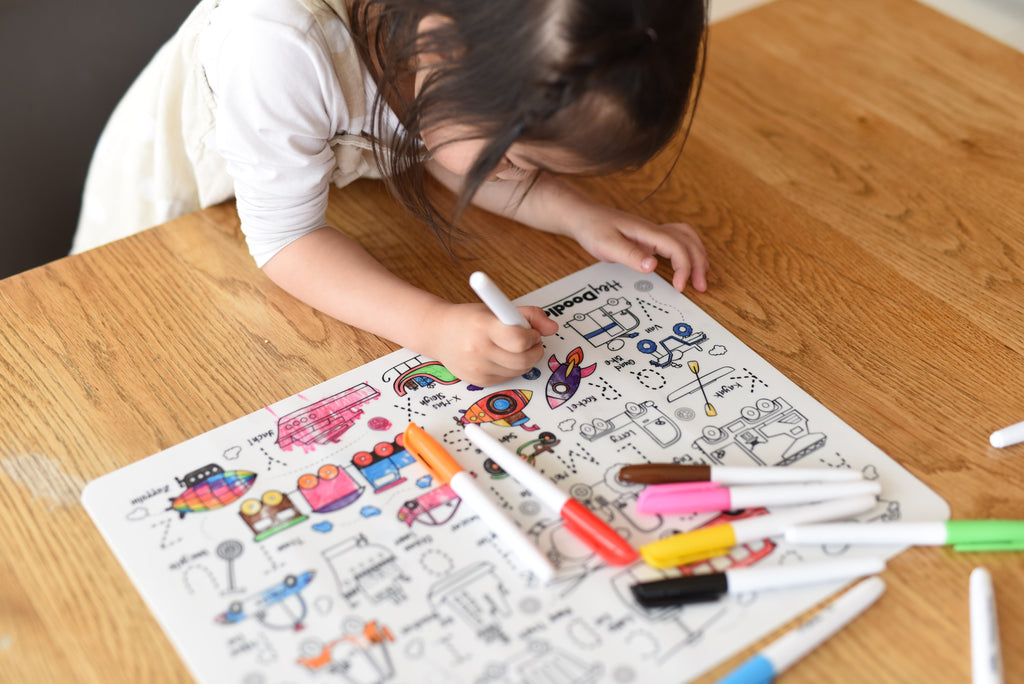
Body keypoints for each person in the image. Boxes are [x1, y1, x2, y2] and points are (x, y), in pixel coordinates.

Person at [73, 0, 709, 387]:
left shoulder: (460, 52)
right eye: (513, 159)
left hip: (314, 174)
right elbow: (287, 238)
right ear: (443, 46)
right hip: (178, 220)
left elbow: (449, 151)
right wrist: (434, 327)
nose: (515, 176)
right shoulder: (276, 48)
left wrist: (581, 216)